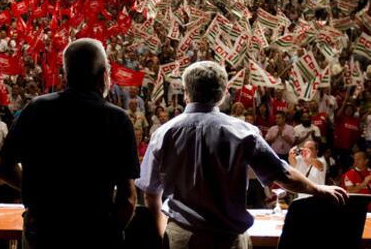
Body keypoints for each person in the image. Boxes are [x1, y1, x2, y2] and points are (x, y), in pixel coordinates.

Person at [135, 61, 347, 249]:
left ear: (186, 92)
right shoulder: (243, 132)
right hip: (230, 240)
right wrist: (318, 189)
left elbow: (151, 193)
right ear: (224, 92)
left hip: (181, 238)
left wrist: (162, 235)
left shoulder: (163, 133)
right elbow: (282, 175)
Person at [0, 38, 140, 248]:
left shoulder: (36, 109)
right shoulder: (118, 119)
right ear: (104, 75)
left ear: (66, 74)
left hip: (43, 229)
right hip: (95, 231)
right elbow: (127, 198)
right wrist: (110, 233)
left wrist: (37, 192)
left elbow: (0, 168)